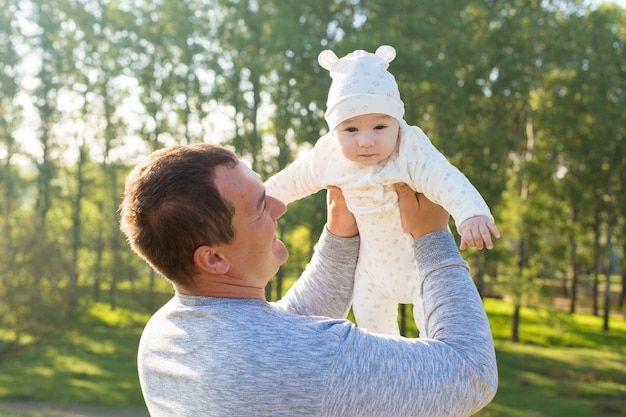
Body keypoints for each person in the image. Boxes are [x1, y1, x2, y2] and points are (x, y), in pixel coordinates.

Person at [120, 143, 497, 417]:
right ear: (214, 258)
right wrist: (432, 237)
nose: (280, 207)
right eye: (259, 207)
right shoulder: (314, 359)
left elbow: (282, 328)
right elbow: (470, 372)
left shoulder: (161, 338)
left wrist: (340, 236)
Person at [265, 45, 501, 335]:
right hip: (372, 269)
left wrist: (471, 214)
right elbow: (292, 179)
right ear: (333, 130)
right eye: (350, 130)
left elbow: (446, 179)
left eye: (379, 127)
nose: (365, 141)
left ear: (397, 123)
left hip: (420, 264)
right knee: (374, 333)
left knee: (437, 331)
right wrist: (260, 203)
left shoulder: (409, 148)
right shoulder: (329, 155)